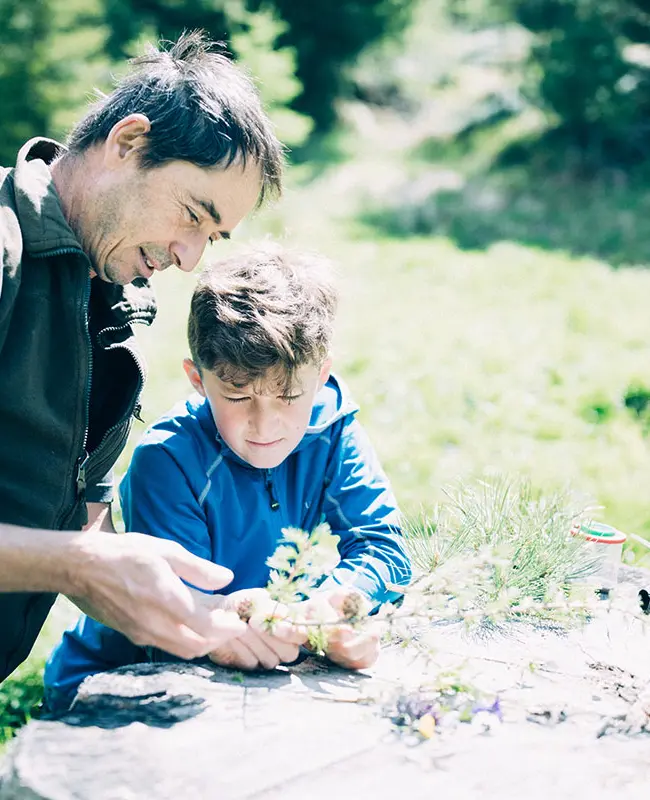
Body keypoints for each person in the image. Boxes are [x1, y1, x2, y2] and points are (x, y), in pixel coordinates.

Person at [0, 30, 287, 683]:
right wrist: (77, 564)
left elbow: (80, 520)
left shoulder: (117, 296)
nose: (190, 259)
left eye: (211, 237)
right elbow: (73, 555)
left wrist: (194, 611)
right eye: (192, 215)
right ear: (128, 143)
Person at [43, 243, 412, 712]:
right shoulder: (168, 461)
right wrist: (285, 628)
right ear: (197, 379)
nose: (265, 426)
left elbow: (383, 546)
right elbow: (179, 616)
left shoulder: (332, 428)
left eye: (288, 396)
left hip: (252, 657)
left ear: (321, 376)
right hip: (116, 680)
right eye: (238, 398)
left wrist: (339, 605)